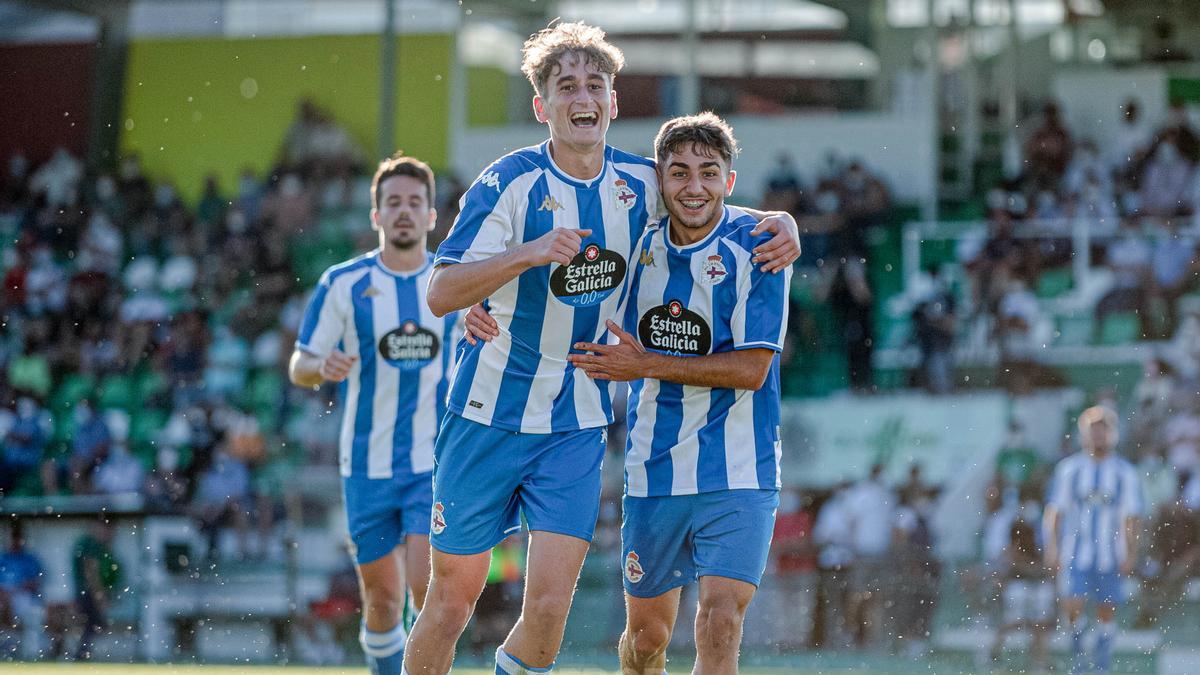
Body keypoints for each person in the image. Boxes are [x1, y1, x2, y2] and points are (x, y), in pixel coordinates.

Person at [405, 22, 800, 675]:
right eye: (566, 86)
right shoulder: (508, 183)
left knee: (551, 610)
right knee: (450, 601)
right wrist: (527, 254)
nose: (583, 96)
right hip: (485, 415)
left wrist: (782, 223)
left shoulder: (642, 183)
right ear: (543, 107)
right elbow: (442, 291)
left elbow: (706, 199)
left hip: (575, 423)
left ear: (614, 103)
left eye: (596, 84)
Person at [561, 112, 789, 671]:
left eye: (709, 173)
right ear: (659, 181)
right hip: (653, 468)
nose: (694, 187)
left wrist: (645, 363)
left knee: (718, 619)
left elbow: (753, 370)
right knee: (645, 641)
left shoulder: (759, 247)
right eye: (680, 172)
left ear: (729, 182)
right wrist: (480, 305)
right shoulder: (633, 248)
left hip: (740, 471)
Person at [289, 153, 457, 675]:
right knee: (383, 600)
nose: (404, 212)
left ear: (432, 216)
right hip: (366, 467)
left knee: (428, 589)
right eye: (393, 203)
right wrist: (323, 366)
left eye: (415, 203)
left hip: (433, 465)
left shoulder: (454, 283)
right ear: (376, 216)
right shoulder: (343, 283)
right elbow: (299, 363)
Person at [1043, 406, 1143, 675]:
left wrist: (1131, 552)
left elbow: (1132, 517)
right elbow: (1054, 511)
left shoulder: (1125, 472)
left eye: (1103, 429)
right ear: (1083, 433)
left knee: (1106, 610)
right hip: (1076, 552)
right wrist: (1052, 547)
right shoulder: (1069, 469)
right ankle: (1079, 654)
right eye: (1093, 429)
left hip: (1111, 553)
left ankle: (1101, 659)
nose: (1098, 435)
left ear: (1113, 434)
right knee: (1073, 604)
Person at [73, 516, 121, 661]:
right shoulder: (90, 543)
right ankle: (82, 654)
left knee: (92, 624)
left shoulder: (97, 545)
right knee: (91, 623)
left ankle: (84, 653)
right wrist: (100, 597)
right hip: (88, 593)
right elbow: (91, 573)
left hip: (89, 592)